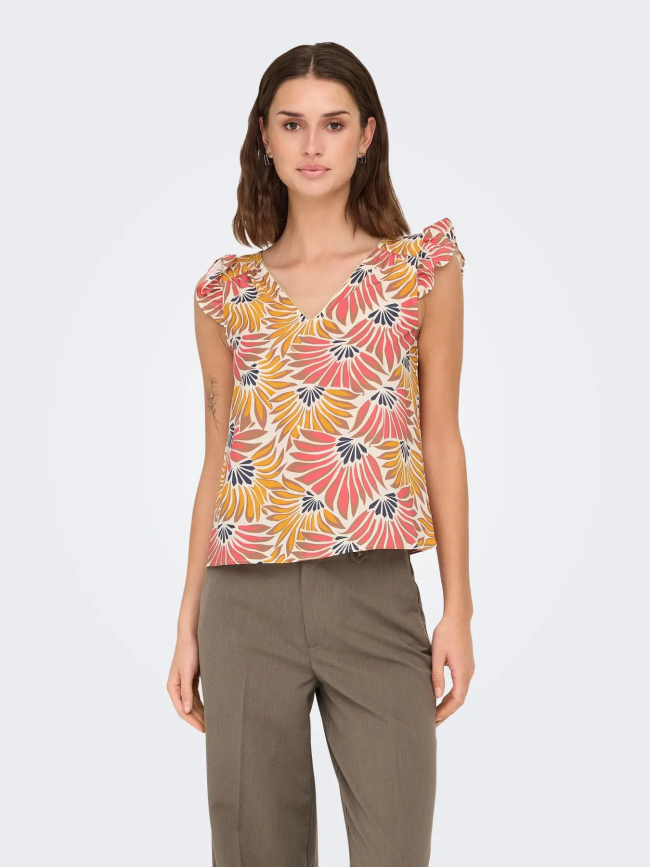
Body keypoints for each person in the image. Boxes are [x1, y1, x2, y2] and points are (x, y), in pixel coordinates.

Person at [168, 41, 475, 867]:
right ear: (263, 137)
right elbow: (217, 462)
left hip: (374, 595)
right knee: (252, 850)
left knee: (395, 847)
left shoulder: (421, 270)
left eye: (334, 124)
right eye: (292, 124)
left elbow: (442, 439)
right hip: (243, 604)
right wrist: (187, 625)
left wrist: (458, 608)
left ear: (366, 135)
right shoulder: (224, 292)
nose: (312, 145)